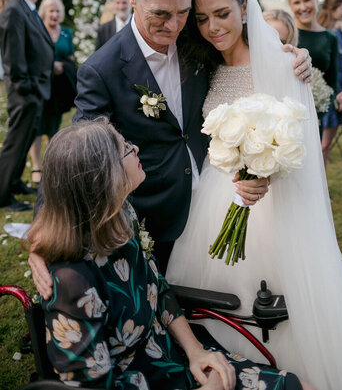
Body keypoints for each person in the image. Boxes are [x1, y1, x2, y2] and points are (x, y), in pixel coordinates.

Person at [166, 0, 342, 390]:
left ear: (243, 7)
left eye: (221, 14)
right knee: (212, 298)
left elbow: (301, 144)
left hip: (268, 206)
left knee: (269, 300)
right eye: (201, 19)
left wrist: (267, 176)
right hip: (212, 200)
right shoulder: (201, 64)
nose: (212, 27)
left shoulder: (284, 63)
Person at [30, 0, 311, 279]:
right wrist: (42, 230)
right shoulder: (101, 70)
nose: (174, 26)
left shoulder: (196, 38)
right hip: (157, 214)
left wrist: (288, 57)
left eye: (183, 13)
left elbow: (241, 52)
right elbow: (77, 148)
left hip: (216, 195)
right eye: (161, 15)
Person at [27, 119, 310, 390]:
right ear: (103, 176)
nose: (136, 148)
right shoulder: (71, 283)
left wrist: (196, 352)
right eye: (126, 148)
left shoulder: (122, 216)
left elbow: (158, 289)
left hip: (173, 354)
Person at [0, 0, 54, 211]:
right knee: (16, 140)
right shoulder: (13, 10)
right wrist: (26, 88)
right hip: (25, 92)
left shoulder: (26, 8)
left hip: (35, 90)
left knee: (23, 141)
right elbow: (13, 56)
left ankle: (14, 183)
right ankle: (2, 194)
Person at [28, 0, 76, 185]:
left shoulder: (66, 33)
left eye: (57, 11)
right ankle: (36, 166)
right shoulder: (37, 30)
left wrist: (63, 66)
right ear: (44, 13)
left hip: (59, 88)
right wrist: (50, 66)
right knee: (37, 127)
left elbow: (71, 57)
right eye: (51, 11)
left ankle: (50, 164)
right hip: (41, 85)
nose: (55, 15)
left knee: (53, 128)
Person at [287, 0, 338, 134]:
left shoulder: (330, 38)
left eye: (307, 0)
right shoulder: (284, 33)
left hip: (315, 118)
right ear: (290, 5)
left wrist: (319, 114)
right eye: (297, 2)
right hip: (284, 116)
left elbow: (332, 82)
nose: (303, 7)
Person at [317, 0, 342, 166]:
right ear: (332, 9)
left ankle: (323, 188)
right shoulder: (320, 33)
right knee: (320, 145)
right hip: (324, 94)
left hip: (341, 93)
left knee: (327, 144)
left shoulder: (340, 34)